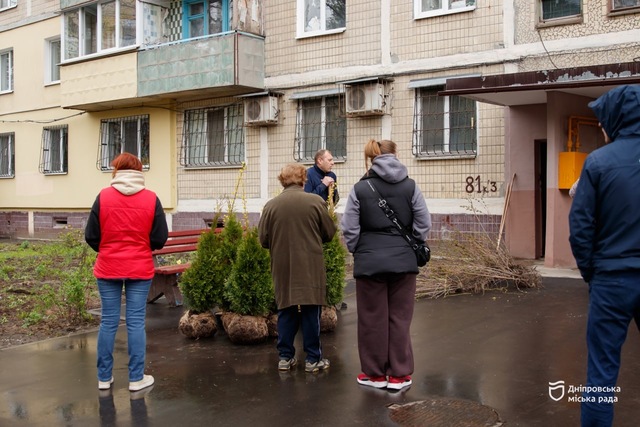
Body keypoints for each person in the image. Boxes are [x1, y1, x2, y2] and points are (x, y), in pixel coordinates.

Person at [569, 84, 640, 427]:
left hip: (612, 280)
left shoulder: (597, 162)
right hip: (611, 274)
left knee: (601, 373)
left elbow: (580, 228)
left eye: (603, 119)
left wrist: (592, 274)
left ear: (617, 119)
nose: (600, 125)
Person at [340, 139, 431, 391]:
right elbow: (423, 221)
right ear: (395, 154)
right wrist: (412, 242)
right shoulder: (410, 186)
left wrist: (358, 249)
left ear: (373, 158)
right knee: (400, 318)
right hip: (404, 261)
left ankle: (375, 375)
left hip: (370, 262)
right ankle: (399, 376)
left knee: (372, 318)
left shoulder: (360, 188)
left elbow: (349, 227)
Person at [85, 152, 168, 392]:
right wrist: (141, 248)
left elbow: (91, 236)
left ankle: (104, 378)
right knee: (135, 322)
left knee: (108, 321)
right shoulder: (151, 198)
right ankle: (136, 378)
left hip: (108, 267)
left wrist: (108, 250)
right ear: (139, 171)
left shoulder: (103, 197)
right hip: (139, 267)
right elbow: (160, 238)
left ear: (117, 171)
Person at [258, 163, 337, 373]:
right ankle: (313, 359)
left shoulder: (271, 206)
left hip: (282, 265)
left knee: (286, 310)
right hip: (310, 264)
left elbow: (263, 240)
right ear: (304, 179)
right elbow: (329, 233)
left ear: (282, 181)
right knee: (311, 311)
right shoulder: (315, 201)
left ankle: (285, 358)